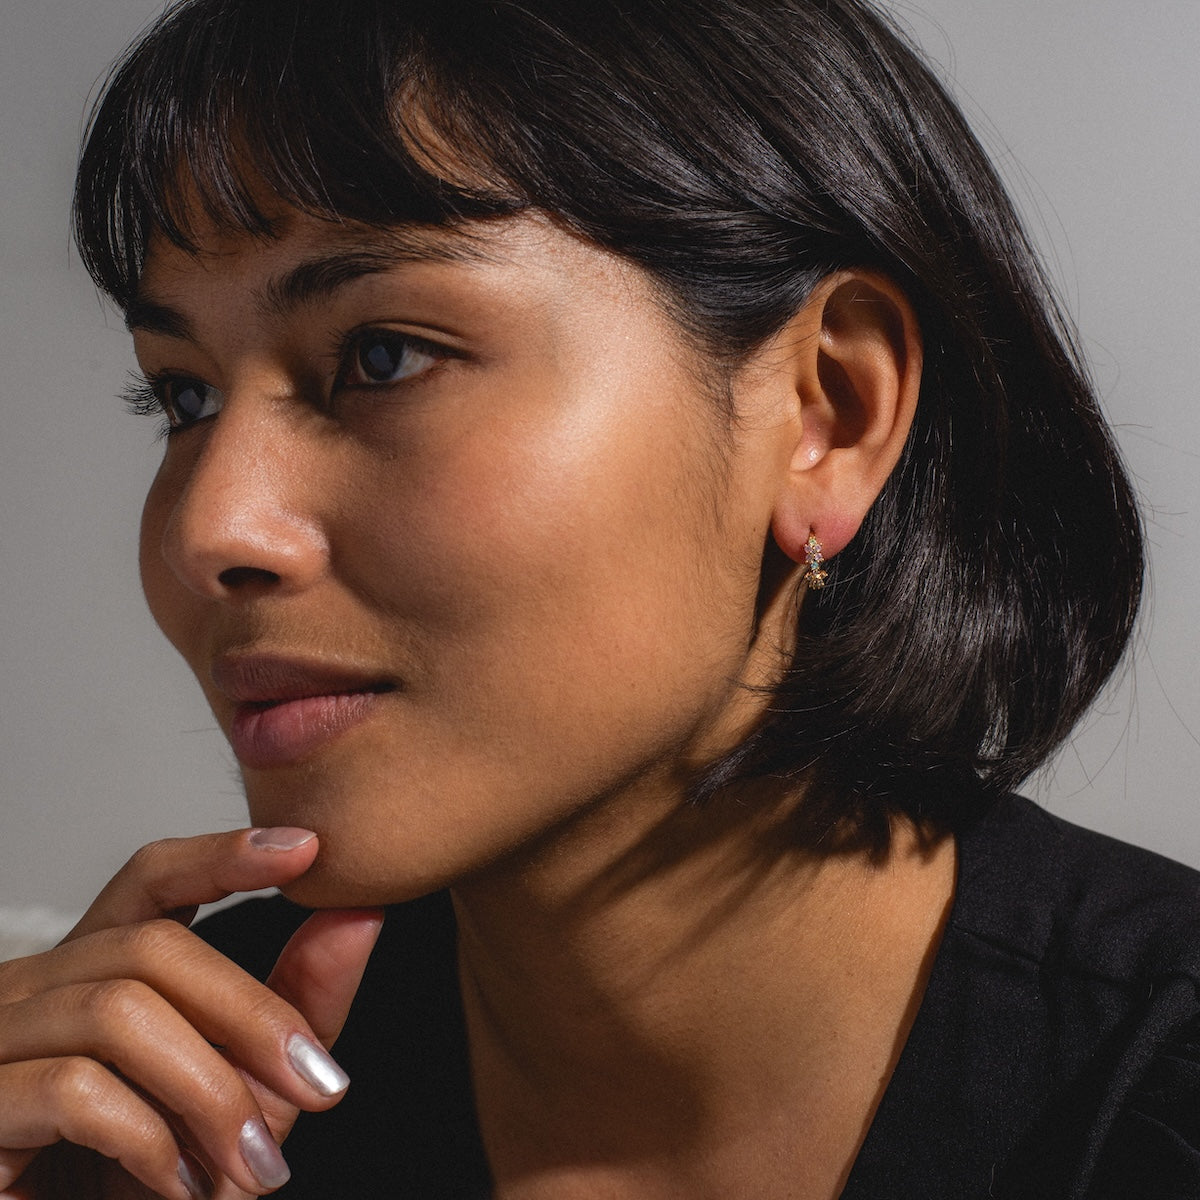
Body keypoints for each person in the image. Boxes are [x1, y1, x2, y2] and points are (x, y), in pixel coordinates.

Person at [0, 0, 1191, 1196]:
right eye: (186, 397)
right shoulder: (154, 1105)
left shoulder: (1153, 1095)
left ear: (827, 413)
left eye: (382, 357)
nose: (209, 529)